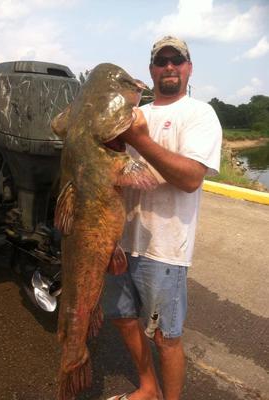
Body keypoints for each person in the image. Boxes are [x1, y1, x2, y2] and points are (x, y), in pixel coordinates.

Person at [104, 35, 222, 400]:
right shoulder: (133, 115)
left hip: (166, 249)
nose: (169, 67)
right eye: (161, 61)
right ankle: (148, 387)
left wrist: (140, 140)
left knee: (164, 336)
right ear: (151, 69)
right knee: (123, 318)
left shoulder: (199, 113)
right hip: (121, 241)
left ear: (188, 68)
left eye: (176, 60)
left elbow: (190, 179)